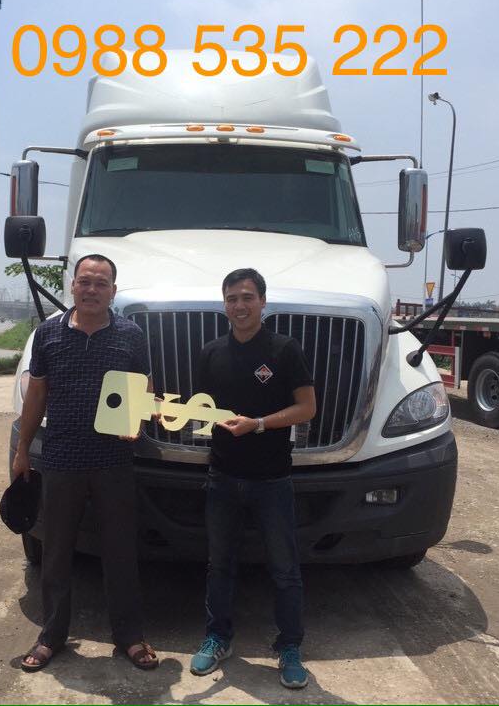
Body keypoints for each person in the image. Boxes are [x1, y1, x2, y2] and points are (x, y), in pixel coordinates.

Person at [11, 254, 158, 672]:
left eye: (101, 283)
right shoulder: (48, 334)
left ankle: (129, 637)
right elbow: (37, 395)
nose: (92, 289)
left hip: (114, 461)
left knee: (120, 551)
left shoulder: (130, 335)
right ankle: (51, 636)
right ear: (72, 286)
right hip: (61, 459)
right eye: (85, 281)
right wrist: (23, 449)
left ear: (113, 291)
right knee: (56, 551)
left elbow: (144, 388)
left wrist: (140, 420)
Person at [189, 267, 317, 689]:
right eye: (232, 298)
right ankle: (218, 638)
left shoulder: (284, 350)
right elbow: (202, 411)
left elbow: (307, 408)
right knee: (219, 566)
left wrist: (258, 424)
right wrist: (165, 414)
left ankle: (290, 647)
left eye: (247, 297)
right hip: (222, 477)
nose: (239, 306)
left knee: (285, 569)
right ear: (224, 304)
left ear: (263, 301)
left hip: (272, 480)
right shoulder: (211, 353)